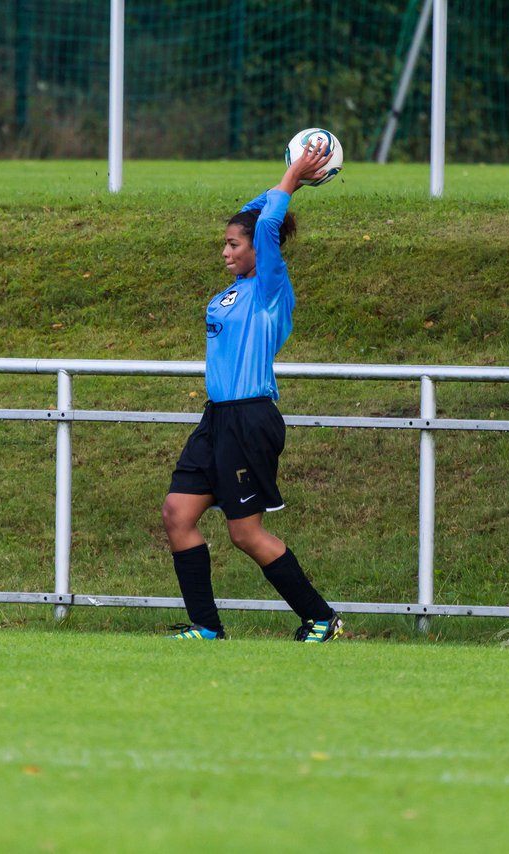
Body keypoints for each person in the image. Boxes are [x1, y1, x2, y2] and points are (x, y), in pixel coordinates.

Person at [161, 139, 343, 643]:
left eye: (233, 245)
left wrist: (289, 183)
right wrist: (291, 179)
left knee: (245, 533)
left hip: (250, 418)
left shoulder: (270, 286)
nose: (225, 250)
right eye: (225, 242)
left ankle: (322, 617)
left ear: (258, 250)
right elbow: (253, 214)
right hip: (217, 417)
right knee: (177, 514)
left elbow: (263, 226)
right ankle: (207, 628)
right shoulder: (233, 288)